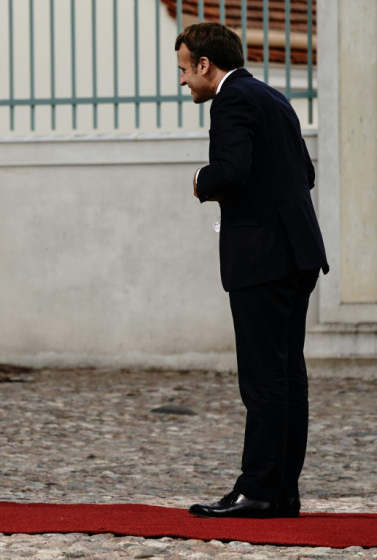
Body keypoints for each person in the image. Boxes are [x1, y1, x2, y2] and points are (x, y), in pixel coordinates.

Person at [175, 23, 329, 518]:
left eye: (184, 69)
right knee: (287, 376)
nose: (182, 82)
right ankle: (282, 491)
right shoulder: (272, 96)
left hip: (262, 259)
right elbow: (303, 173)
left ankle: (259, 490)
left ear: (205, 64)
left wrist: (199, 181)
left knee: (263, 379)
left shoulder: (230, 100)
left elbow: (231, 171)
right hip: (297, 254)